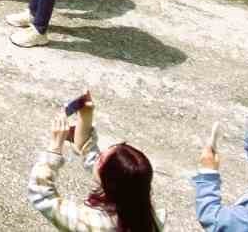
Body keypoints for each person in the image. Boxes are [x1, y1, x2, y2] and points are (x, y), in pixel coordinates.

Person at [28, 92, 164, 232]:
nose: (96, 158)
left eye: (99, 160)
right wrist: (86, 116)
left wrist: (54, 148)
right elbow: (92, 156)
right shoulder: (144, 212)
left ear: (108, 183)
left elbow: (41, 196)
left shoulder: (93, 224)